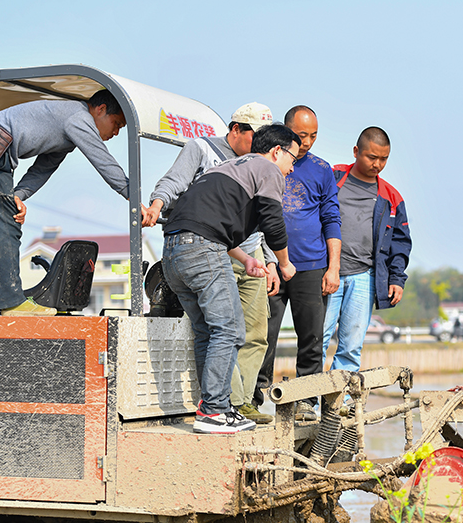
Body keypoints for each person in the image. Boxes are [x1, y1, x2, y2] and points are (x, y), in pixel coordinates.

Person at [0, 90, 138, 316]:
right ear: (101, 109)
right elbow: (102, 159)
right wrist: (132, 197)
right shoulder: (79, 118)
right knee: (6, 224)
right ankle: (10, 303)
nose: (115, 132)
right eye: (116, 124)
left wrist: (18, 195)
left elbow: (43, 169)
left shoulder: (68, 127)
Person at [143, 102, 277, 425]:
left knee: (255, 332)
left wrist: (270, 260)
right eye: (255, 138)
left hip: (248, 251)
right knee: (225, 329)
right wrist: (156, 204)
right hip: (211, 248)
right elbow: (173, 182)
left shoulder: (261, 166)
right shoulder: (202, 148)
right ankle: (218, 404)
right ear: (235, 130)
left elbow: (268, 216)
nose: (260, 147)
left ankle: (239, 403)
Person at [161, 124, 299, 434]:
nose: (292, 168)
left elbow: (205, 222)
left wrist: (247, 258)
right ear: (278, 151)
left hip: (173, 252)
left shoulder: (228, 167)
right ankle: (215, 410)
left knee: (207, 332)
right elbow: (273, 221)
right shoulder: (267, 168)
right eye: (293, 158)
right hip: (203, 251)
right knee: (231, 328)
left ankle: (211, 408)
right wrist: (284, 263)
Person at [254, 106, 341, 422]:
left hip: (311, 265)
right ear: (286, 131)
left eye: (313, 135)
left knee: (312, 338)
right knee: (264, 333)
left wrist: (333, 267)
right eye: (302, 135)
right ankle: (257, 397)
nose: (307, 142)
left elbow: (331, 218)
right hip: (271, 264)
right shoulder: (268, 162)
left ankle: (307, 401)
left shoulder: (321, 169)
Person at [323, 127, 412, 372]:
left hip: (364, 276)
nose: (377, 164)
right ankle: (310, 404)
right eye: (371, 157)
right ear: (356, 152)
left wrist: (397, 279)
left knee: (351, 347)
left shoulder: (391, 197)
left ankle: (338, 406)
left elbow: (400, 242)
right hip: (327, 272)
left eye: (383, 159)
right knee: (316, 340)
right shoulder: (332, 178)